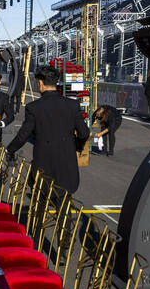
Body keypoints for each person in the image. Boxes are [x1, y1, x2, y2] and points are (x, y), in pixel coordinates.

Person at [6, 65, 90, 194]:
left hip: (44, 161)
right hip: (67, 162)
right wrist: (76, 146)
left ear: (40, 83)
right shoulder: (73, 105)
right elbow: (84, 133)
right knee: (64, 201)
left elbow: (23, 135)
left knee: (41, 200)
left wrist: (10, 149)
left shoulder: (33, 107)